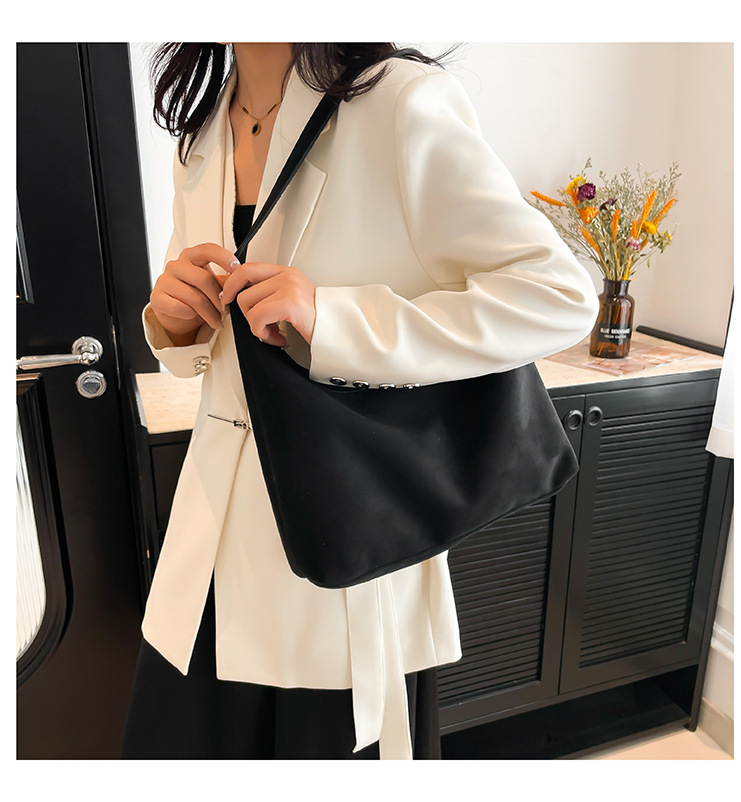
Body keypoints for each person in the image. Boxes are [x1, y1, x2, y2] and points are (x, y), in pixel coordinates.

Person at [122, 42, 598, 760]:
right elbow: (208, 350)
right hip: (208, 554)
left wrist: (335, 320)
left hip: (339, 545)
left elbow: (557, 297)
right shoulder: (202, 133)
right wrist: (174, 322)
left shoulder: (397, 101)